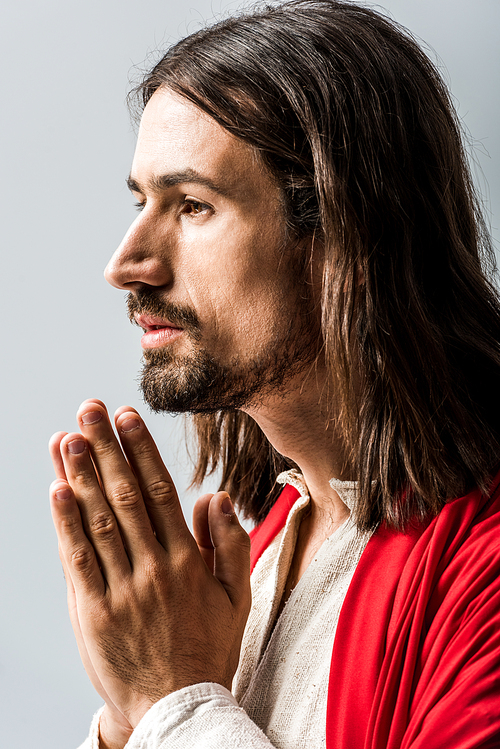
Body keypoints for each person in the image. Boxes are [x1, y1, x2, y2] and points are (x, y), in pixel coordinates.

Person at [49, 1, 500, 747]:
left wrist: (178, 701)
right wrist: (135, 717)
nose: (125, 264)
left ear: (341, 238)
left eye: (192, 205)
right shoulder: (255, 559)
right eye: (142, 202)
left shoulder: (479, 568)